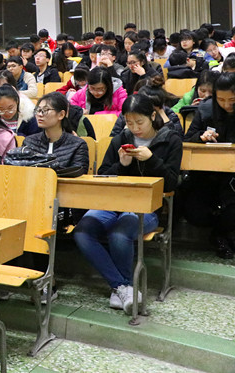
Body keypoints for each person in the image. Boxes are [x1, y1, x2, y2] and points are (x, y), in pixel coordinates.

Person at [74, 94, 181, 313]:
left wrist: (151, 159)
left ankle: (121, 289)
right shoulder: (120, 139)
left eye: (139, 122)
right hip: (112, 203)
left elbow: (171, 183)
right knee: (82, 232)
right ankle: (124, 287)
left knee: (119, 233)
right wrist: (122, 165)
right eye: (129, 123)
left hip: (147, 208)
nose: (135, 128)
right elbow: (103, 175)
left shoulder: (170, 140)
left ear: (153, 116)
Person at [182, 72, 235, 258]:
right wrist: (201, 137)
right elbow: (187, 139)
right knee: (194, 211)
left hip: (232, 178)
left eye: (232, 100)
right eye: (221, 99)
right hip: (206, 174)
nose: (226, 105)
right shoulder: (205, 109)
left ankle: (221, 235)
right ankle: (222, 232)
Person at [22, 93, 89, 175]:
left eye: (45, 110)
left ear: (61, 115)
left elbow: (78, 175)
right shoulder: (29, 142)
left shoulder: (77, 145)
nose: (39, 114)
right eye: (38, 110)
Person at [111, 83, 182, 137]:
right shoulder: (128, 113)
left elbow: (177, 140)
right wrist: (127, 128)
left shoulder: (168, 114)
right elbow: (114, 137)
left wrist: (164, 118)